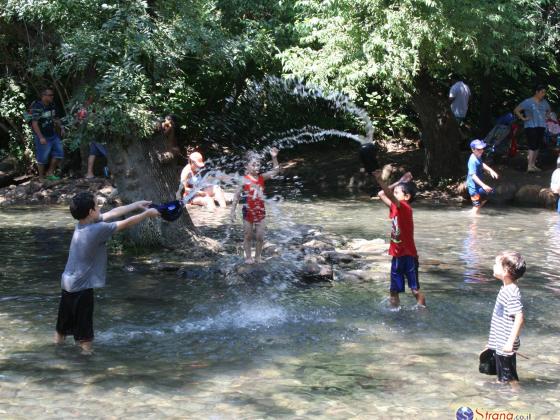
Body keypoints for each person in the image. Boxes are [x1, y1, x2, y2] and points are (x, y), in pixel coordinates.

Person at [54, 192, 159, 354]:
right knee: (85, 334)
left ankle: (56, 352)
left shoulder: (83, 224)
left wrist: (136, 205)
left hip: (67, 284)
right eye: (97, 205)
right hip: (82, 288)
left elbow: (113, 213)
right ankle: (86, 359)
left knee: (62, 328)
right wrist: (146, 214)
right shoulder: (97, 230)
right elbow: (126, 223)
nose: (100, 208)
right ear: (90, 212)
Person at [373, 170, 426, 308]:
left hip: (408, 255)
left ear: (407, 197)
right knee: (393, 290)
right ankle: (395, 316)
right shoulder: (396, 207)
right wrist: (400, 182)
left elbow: (387, 194)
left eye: (397, 193)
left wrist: (380, 180)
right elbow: (381, 194)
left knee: (414, 289)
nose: (394, 195)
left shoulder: (405, 208)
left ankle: (423, 313)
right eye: (395, 192)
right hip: (397, 255)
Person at [230, 148, 280, 264]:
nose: (257, 167)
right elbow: (236, 196)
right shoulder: (244, 180)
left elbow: (275, 171)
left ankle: (258, 257)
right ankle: (248, 257)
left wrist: (274, 157)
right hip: (248, 211)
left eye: (258, 165)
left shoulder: (262, 178)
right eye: (254, 165)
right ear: (247, 167)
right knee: (248, 235)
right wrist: (232, 211)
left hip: (260, 211)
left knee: (260, 236)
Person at [484, 251, 526, 384]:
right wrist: (492, 343)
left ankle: (515, 396)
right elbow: (500, 319)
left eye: (496, 264)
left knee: (509, 378)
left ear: (506, 271)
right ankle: (506, 392)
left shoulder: (511, 291)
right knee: (503, 375)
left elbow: (519, 318)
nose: (493, 266)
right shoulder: (506, 289)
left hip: (505, 343)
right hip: (500, 341)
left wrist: (510, 342)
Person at [514, 85, 551, 172]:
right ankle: (529, 166)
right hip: (530, 126)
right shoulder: (528, 101)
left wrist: (547, 116)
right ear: (537, 92)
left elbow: (549, 110)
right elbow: (516, 110)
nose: (543, 94)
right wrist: (523, 118)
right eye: (542, 92)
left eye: (544, 92)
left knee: (537, 145)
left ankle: (533, 165)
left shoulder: (544, 102)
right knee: (532, 145)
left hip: (541, 126)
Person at [30, 88, 65, 180]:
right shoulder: (37, 106)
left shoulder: (52, 105)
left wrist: (61, 127)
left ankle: (49, 173)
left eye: (52, 95)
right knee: (42, 158)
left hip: (52, 134)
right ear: (43, 96)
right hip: (42, 136)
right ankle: (41, 178)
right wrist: (41, 137)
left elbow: (55, 118)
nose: (52, 97)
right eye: (50, 95)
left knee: (59, 153)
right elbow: (34, 123)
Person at [466, 139, 499, 216]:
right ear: (473, 149)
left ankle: (473, 211)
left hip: (478, 186)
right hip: (473, 187)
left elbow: (482, 164)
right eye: (478, 149)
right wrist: (483, 185)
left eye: (482, 149)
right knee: (476, 208)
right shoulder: (472, 160)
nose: (481, 151)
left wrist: (491, 170)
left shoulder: (478, 156)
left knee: (489, 193)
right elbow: (473, 176)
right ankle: (473, 221)